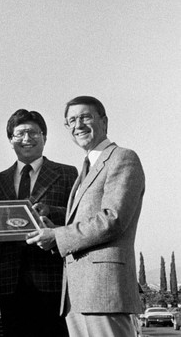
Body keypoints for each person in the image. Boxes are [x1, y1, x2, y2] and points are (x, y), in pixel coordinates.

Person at [27, 96, 145, 337]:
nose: (77, 125)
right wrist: (54, 223)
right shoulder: (87, 166)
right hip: (77, 296)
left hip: (104, 293)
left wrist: (57, 236)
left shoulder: (123, 158)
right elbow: (87, 217)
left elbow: (112, 219)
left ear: (104, 122)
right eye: (71, 120)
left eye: (85, 117)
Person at [0, 109, 78, 337]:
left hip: (52, 276)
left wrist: (50, 212)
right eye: (19, 134)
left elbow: (77, 216)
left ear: (45, 137)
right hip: (10, 278)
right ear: (10, 140)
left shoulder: (67, 173)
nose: (26, 139)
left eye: (33, 133)